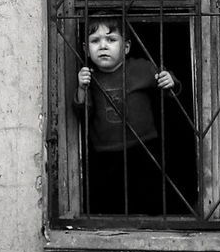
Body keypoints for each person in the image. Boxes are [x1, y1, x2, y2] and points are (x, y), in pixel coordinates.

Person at [74, 17, 179, 215]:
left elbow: (169, 89)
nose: (103, 46)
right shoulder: (89, 76)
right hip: (105, 153)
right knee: (110, 202)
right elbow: (81, 112)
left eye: (111, 40)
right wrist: (81, 87)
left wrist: (170, 80)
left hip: (144, 147)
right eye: (95, 41)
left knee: (149, 197)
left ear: (127, 46)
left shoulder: (141, 68)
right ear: (86, 49)